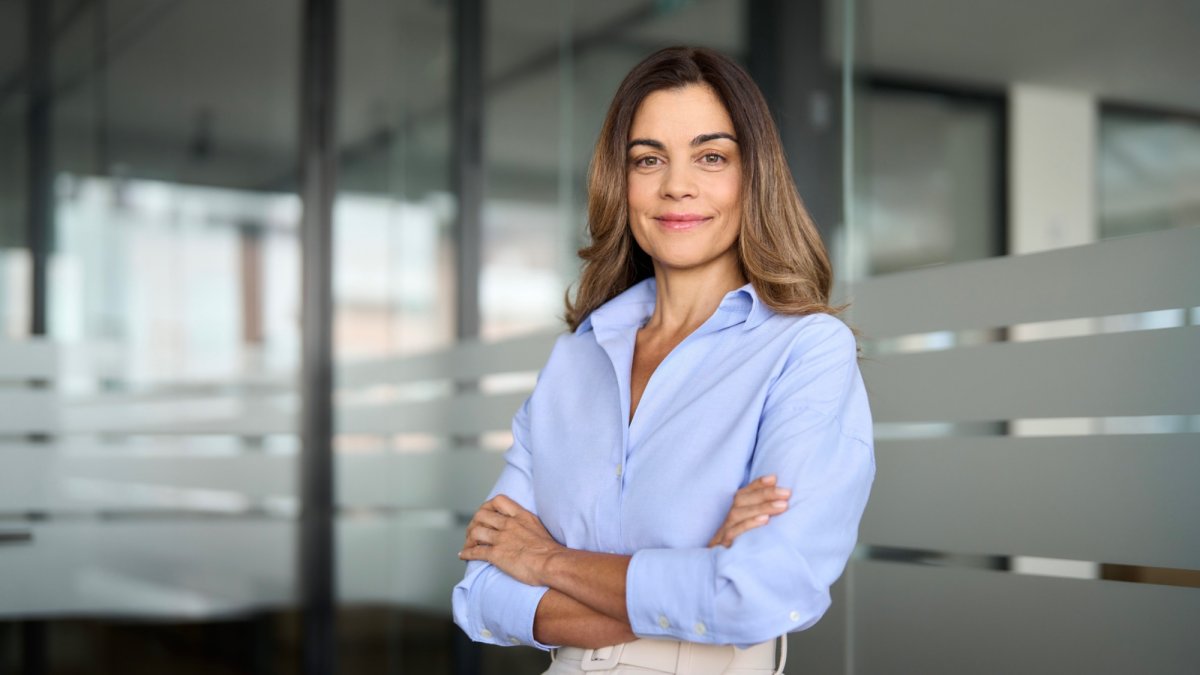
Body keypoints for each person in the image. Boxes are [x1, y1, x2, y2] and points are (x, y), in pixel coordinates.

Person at [451, 46, 874, 675]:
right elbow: (482, 592)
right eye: (648, 159)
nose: (677, 185)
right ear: (619, 184)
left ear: (753, 177)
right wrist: (695, 571)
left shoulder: (805, 350)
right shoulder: (576, 360)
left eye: (711, 156)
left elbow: (758, 593)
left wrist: (546, 561)